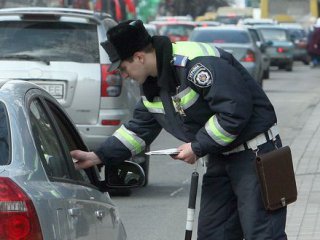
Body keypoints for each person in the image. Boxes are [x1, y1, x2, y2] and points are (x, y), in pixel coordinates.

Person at [71, 19, 287, 239]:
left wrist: (197, 146)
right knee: (214, 234)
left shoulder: (197, 64)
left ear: (139, 57)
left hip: (257, 155)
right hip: (221, 158)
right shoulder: (153, 84)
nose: (123, 75)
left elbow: (234, 111)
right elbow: (137, 130)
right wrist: (98, 156)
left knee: (263, 234)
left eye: (123, 68)